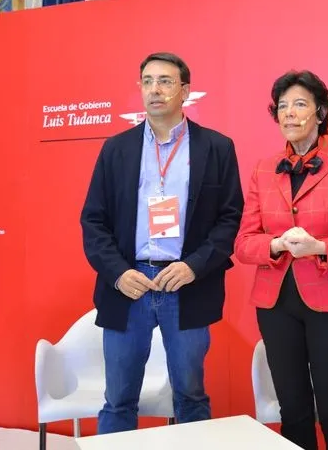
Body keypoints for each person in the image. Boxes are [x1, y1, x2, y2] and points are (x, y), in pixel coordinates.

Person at [80, 52, 244, 434]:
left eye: (166, 81)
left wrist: (194, 266)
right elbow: (93, 221)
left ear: (185, 91)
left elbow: (229, 219)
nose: (155, 90)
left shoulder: (216, 147)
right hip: (129, 285)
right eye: (148, 81)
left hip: (185, 284)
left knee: (190, 395)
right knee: (118, 398)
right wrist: (118, 273)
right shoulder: (116, 149)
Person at [234, 70, 328, 450]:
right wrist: (276, 244)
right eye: (283, 106)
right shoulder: (263, 169)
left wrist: (319, 247)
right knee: (293, 409)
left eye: (300, 104)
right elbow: (244, 243)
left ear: (321, 112)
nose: (289, 113)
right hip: (276, 304)